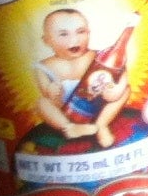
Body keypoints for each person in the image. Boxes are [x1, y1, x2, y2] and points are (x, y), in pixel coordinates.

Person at [29, 8, 130, 150]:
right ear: (47, 40)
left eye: (81, 32)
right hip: (66, 111)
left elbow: (120, 70)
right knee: (42, 103)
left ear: (89, 33)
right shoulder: (43, 67)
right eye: (63, 34)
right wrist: (51, 91)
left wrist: (117, 88)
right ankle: (69, 127)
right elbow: (46, 93)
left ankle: (101, 125)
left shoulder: (98, 56)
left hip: (98, 108)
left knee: (126, 90)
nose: (74, 40)